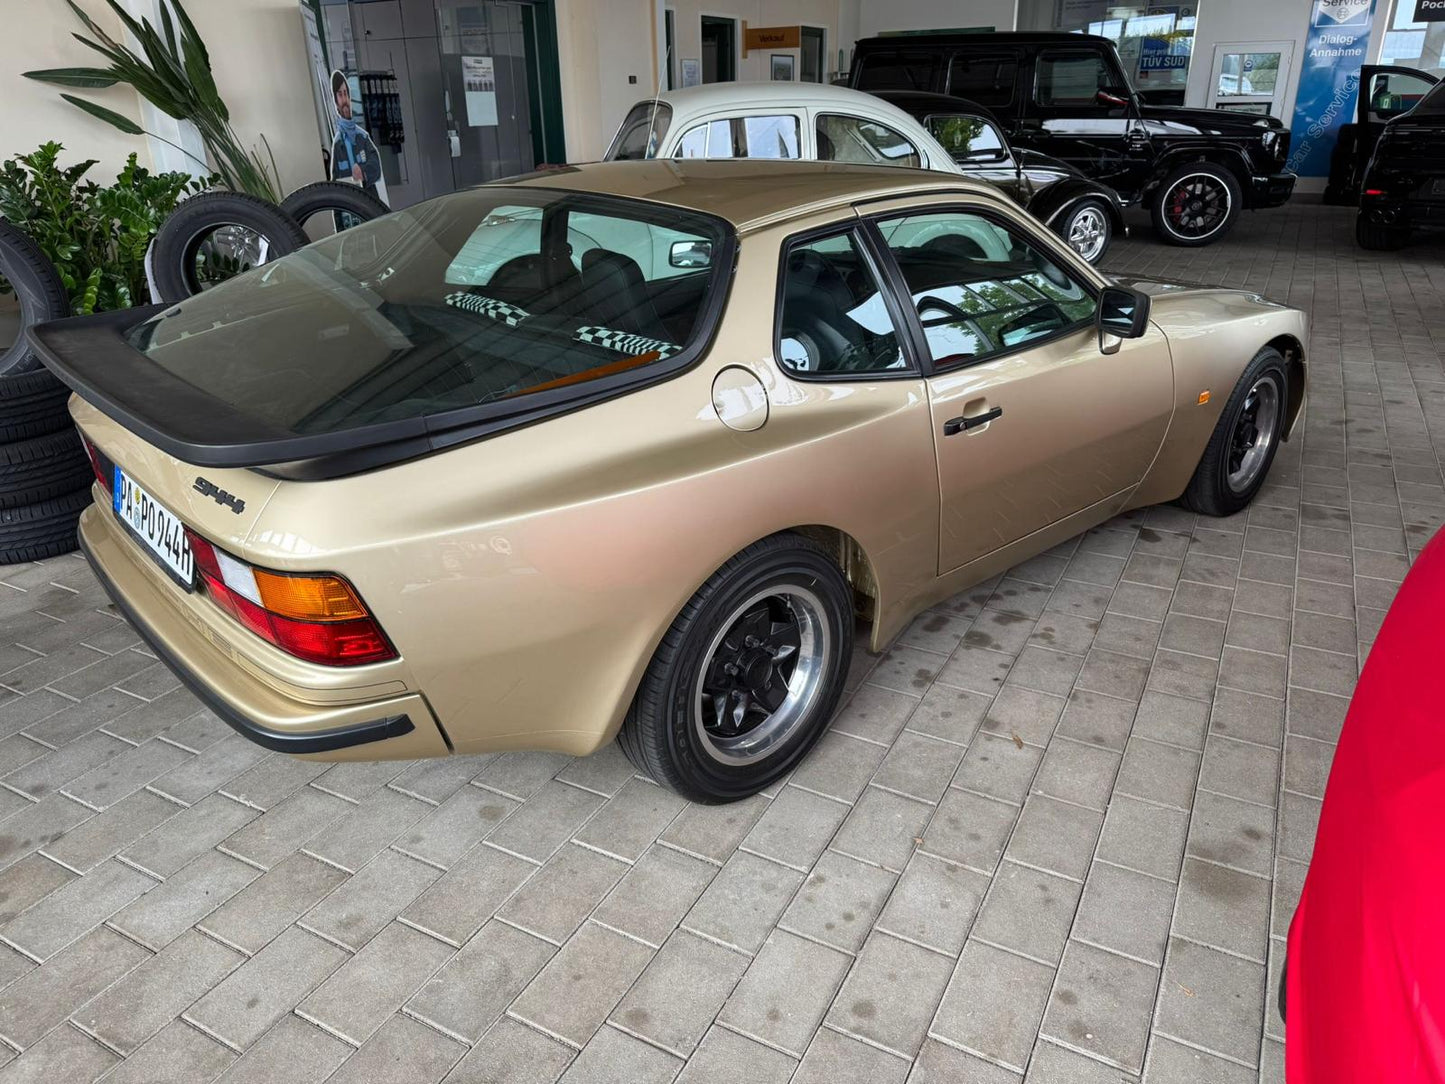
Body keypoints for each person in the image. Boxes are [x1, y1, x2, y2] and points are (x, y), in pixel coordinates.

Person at [330, 70, 382, 196]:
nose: (345, 99)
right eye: (340, 95)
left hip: (369, 200)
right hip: (351, 205)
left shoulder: (362, 136)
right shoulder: (337, 144)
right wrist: (338, 215)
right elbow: (334, 184)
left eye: (346, 93)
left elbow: (376, 166)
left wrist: (363, 172)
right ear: (336, 102)